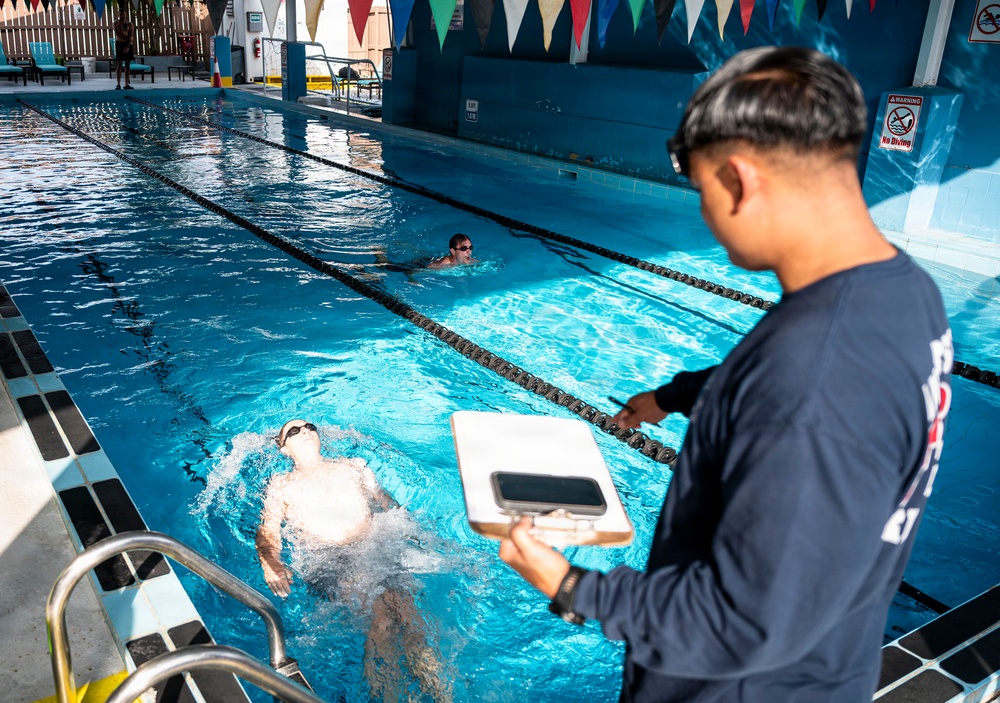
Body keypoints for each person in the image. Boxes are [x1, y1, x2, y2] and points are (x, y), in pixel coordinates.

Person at [499, 46, 953, 703]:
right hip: (827, 670)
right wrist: (673, 395)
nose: (707, 218)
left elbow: (741, 620)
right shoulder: (904, 291)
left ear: (741, 180)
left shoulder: (814, 376)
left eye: (704, 191)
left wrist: (572, 587)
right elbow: (787, 387)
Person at [257, 419, 452, 701]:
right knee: (382, 620)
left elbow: (387, 504)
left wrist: (415, 535)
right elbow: (267, 531)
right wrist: (270, 563)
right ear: (284, 448)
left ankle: (441, 693)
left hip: (374, 546)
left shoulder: (352, 466)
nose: (306, 432)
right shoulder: (281, 485)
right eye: (294, 431)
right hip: (330, 559)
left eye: (310, 426)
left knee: (411, 618)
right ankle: (389, 696)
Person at [113, 9, 136, 90]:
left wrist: (128, 46)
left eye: (123, 14)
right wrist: (129, 38)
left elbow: (131, 34)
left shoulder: (130, 24)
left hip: (127, 44)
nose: (122, 15)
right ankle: (118, 84)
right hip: (119, 44)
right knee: (119, 64)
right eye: (120, 14)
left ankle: (126, 84)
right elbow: (118, 33)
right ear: (118, 14)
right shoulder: (116, 23)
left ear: (125, 14)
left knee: (127, 65)